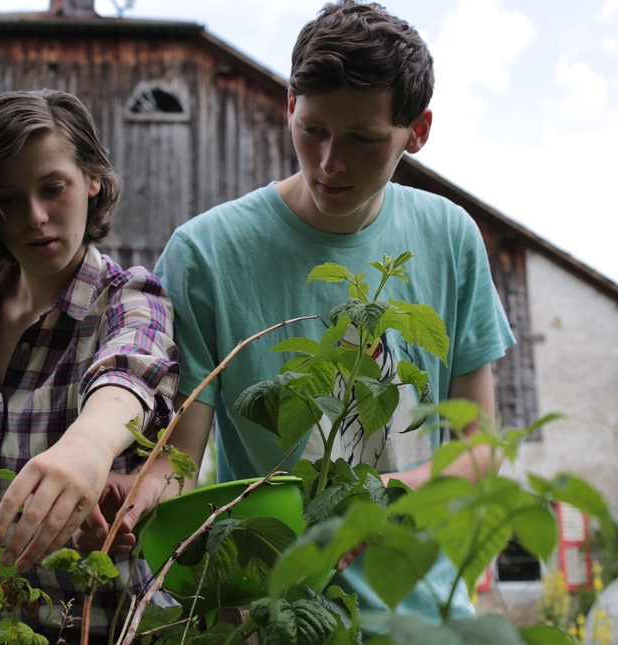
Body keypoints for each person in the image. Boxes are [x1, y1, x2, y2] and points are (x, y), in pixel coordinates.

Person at [78, 0, 516, 631]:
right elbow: (182, 456)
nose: (329, 163)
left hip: (424, 616)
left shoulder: (451, 237)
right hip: (273, 617)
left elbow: (478, 449)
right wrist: (141, 494)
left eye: (363, 141)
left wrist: (380, 502)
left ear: (417, 132)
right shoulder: (206, 253)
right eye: (312, 130)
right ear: (290, 104)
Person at [0, 88, 179, 642]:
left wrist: (87, 447)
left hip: (92, 625)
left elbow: (129, 373)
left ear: (91, 178)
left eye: (52, 188)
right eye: (8, 199)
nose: (35, 217)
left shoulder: (130, 298)